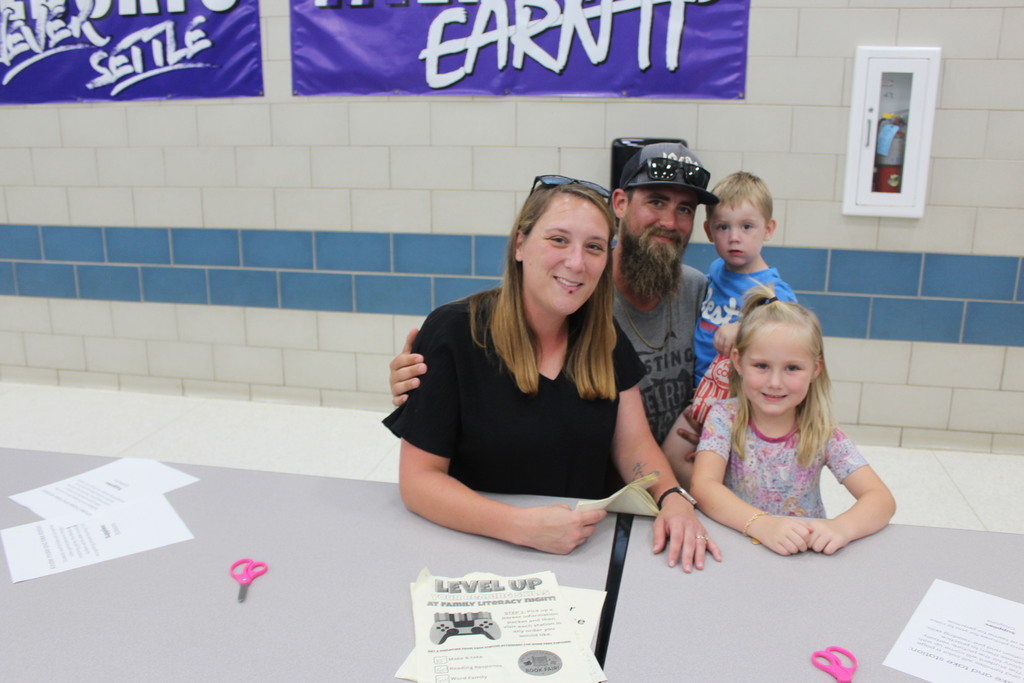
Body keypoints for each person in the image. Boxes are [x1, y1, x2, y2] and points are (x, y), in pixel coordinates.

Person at [384, 175, 721, 572]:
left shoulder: (605, 341)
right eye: (559, 240)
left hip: (578, 551)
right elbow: (419, 482)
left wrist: (672, 498)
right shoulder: (455, 333)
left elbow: (634, 448)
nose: (576, 262)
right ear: (520, 244)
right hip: (472, 548)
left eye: (594, 247)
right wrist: (519, 526)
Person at [390, 142, 721, 481]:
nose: (669, 220)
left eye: (686, 209)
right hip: (574, 493)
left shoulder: (695, 292)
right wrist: (428, 378)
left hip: (650, 487)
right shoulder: (570, 297)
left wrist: (719, 422)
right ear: (620, 203)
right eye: (656, 202)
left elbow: (746, 363)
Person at [689, 285, 895, 556]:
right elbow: (703, 486)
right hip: (737, 545)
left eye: (792, 368)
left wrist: (842, 528)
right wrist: (762, 525)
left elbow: (880, 499)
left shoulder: (821, 430)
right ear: (738, 362)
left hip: (803, 554)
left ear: (815, 369)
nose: (775, 383)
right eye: (761, 366)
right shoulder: (725, 417)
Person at [661, 171, 797, 482]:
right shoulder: (717, 269)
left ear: (769, 229)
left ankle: (723, 511)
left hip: (742, 402)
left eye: (747, 227)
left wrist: (744, 328)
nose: (734, 237)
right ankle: (692, 511)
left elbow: (788, 331)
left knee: (720, 472)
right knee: (674, 456)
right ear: (708, 231)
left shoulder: (772, 289)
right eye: (723, 227)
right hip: (702, 393)